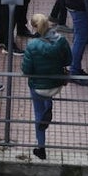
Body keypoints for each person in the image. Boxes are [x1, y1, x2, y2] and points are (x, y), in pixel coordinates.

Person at [21, 13, 71, 160]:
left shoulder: (32, 45)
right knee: (46, 99)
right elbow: (69, 59)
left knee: (38, 114)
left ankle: (41, 148)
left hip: (37, 86)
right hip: (55, 84)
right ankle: (48, 105)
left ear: (35, 27)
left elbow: (26, 70)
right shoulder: (61, 41)